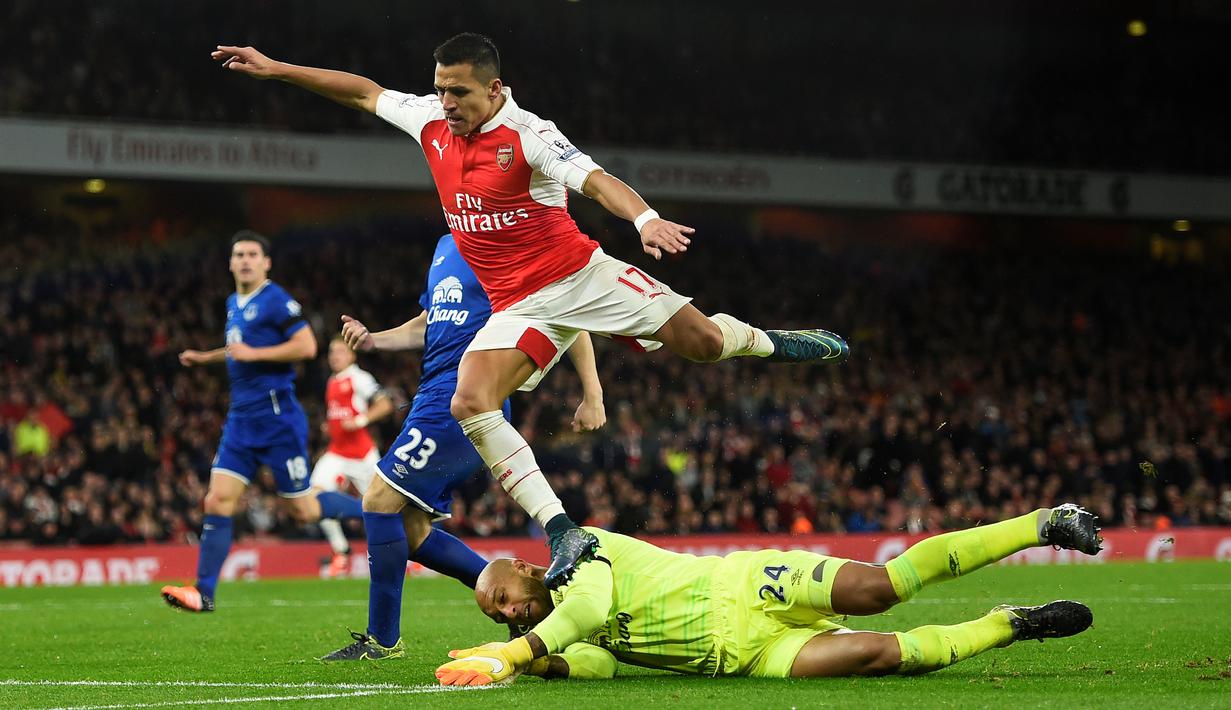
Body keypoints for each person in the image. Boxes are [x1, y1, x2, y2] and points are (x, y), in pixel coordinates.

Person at [212, 33, 849, 588]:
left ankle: (772, 341)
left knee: (704, 342)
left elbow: (597, 181)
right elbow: (361, 92)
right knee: (470, 398)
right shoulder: (432, 122)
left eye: (459, 92)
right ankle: (562, 530)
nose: (447, 103)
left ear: (496, 89)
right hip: (520, 305)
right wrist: (278, 69)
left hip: (581, 274)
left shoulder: (530, 134)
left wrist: (646, 219)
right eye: (440, 90)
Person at [321, 233, 606, 661]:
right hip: (431, 396)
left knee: (379, 500)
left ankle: (382, 640)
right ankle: (530, 611)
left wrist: (593, 393)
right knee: (413, 533)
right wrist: (373, 340)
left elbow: (564, 311)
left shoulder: (507, 240)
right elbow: (427, 322)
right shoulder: (444, 245)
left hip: (464, 397)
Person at [434, 504, 1103, 684]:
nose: (507, 609)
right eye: (497, 614)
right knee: (884, 656)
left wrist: (516, 651)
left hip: (745, 585)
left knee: (880, 587)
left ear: (525, 568)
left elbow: (589, 609)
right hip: (746, 657)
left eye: (502, 595)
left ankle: (1041, 525)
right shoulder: (556, 628)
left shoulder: (576, 548)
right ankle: (1010, 624)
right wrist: (543, 665)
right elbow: (598, 656)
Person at [161, 231, 360, 612]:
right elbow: (239, 351)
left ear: (266, 262)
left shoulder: (276, 300)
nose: (246, 260)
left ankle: (375, 509)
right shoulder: (234, 302)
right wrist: (205, 358)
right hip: (241, 421)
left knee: (302, 510)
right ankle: (203, 594)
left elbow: (306, 346)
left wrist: (255, 353)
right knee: (217, 500)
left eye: (253, 254)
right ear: (231, 262)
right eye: (239, 255)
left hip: (277, 419)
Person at [310, 337, 395, 578]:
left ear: (352, 355)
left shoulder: (360, 378)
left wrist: (359, 420)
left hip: (362, 456)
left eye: (339, 351)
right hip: (336, 453)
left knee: (382, 508)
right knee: (314, 497)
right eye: (331, 351)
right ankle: (341, 550)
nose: (334, 355)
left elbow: (386, 404)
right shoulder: (331, 381)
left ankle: (410, 554)